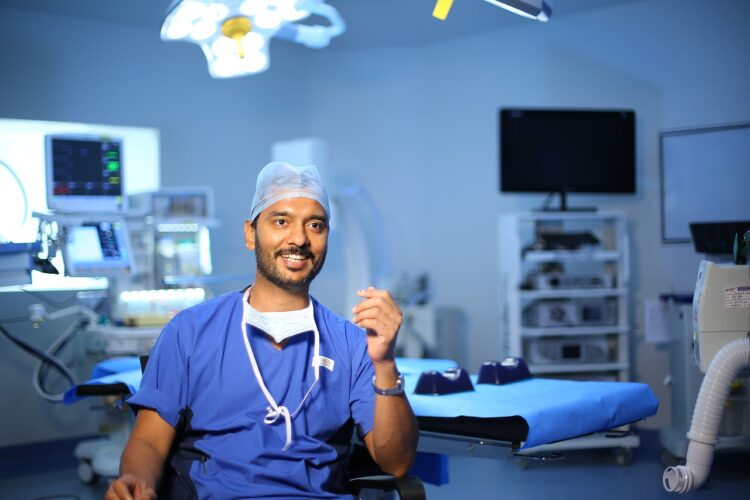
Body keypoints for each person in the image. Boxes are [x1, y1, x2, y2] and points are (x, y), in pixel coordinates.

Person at [105, 162, 418, 499]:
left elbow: (397, 463)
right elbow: (149, 441)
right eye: (281, 221)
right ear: (250, 234)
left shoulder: (353, 343)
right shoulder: (190, 331)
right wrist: (136, 480)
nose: (299, 239)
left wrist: (385, 364)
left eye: (315, 225)